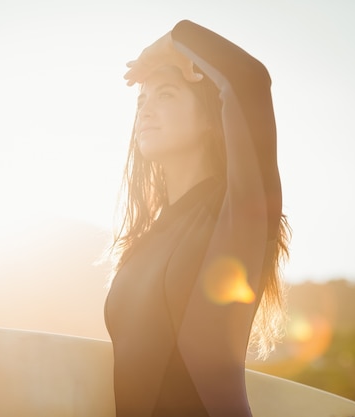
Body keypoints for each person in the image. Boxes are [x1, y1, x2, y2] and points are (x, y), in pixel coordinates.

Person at [104, 20, 291, 416]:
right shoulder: (145, 240)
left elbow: (249, 79)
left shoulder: (239, 214)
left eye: (166, 95)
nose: (146, 110)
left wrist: (172, 42)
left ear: (212, 119)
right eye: (141, 101)